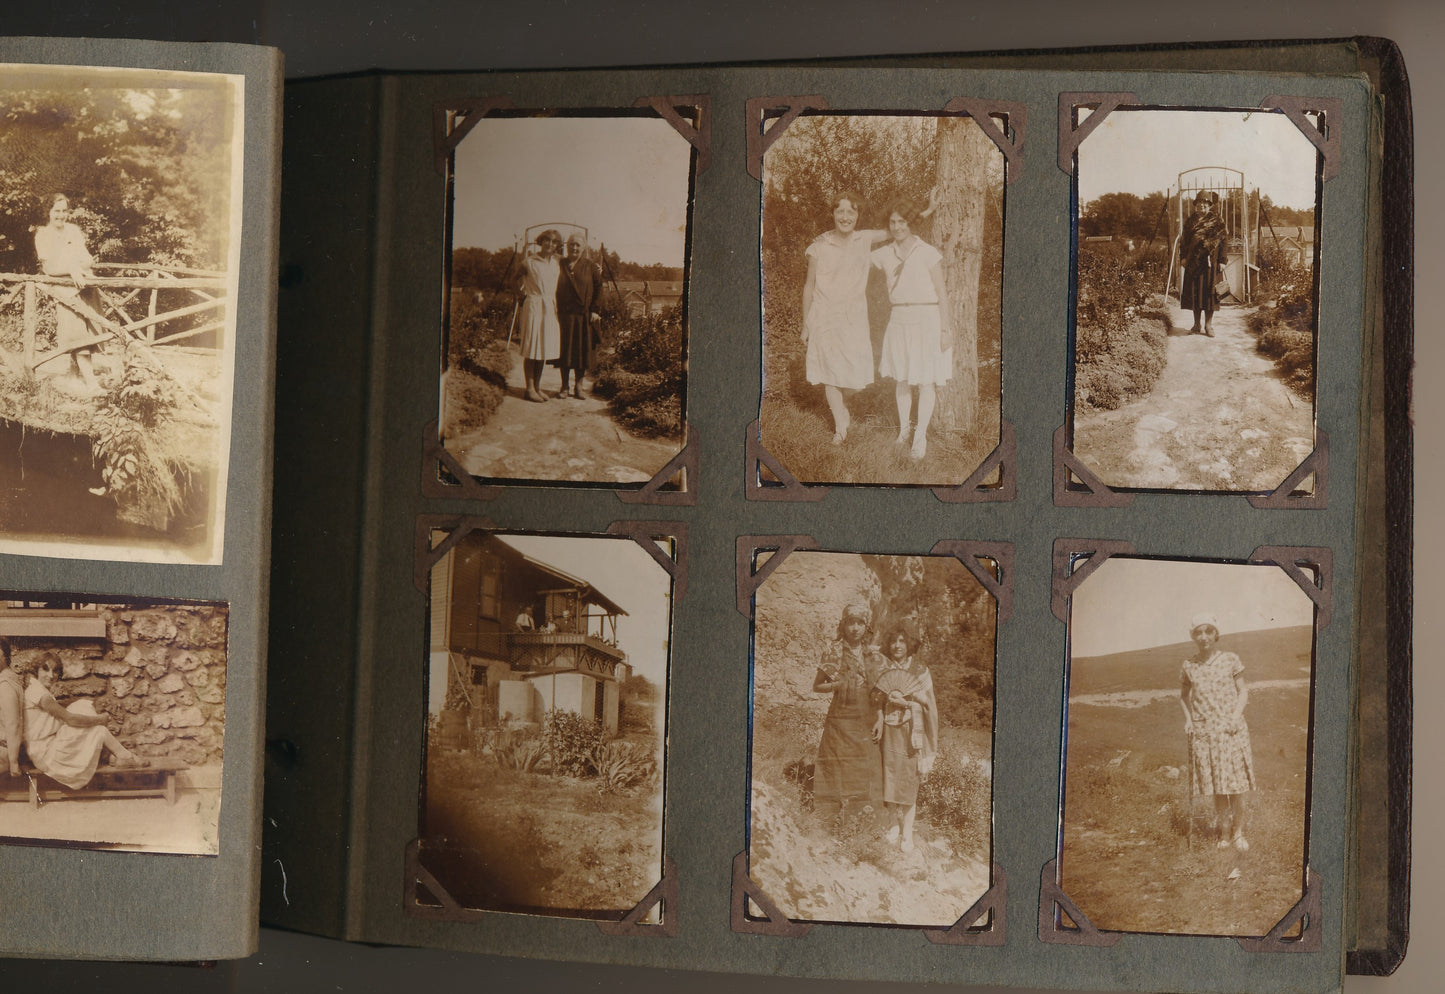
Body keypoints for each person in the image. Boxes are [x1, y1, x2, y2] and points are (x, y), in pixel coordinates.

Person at [800, 192, 888, 444]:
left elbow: (896, 229)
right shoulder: (818, 246)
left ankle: (843, 409)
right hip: (824, 317)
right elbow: (809, 286)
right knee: (830, 374)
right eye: (841, 212)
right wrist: (806, 324)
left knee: (857, 378)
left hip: (854, 317)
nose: (846, 217)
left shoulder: (865, 238)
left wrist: (928, 210)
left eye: (851, 212)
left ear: (858, 215)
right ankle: (841, 426)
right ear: (833, 214)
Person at [871, 198, 954, 461]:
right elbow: (856, 252)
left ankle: (920, 438)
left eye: (902, 222)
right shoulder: (884, 253)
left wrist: (945, 329)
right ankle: (904, 432)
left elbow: (942, 292)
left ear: (911, 223)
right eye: (892, 222)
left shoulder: (927, 252)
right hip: (899, 319)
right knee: (902, 379)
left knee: (926, 381)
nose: (897, 227)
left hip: (927, 318)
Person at [1179, 613, 1254, 850]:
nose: (1203, 637)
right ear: (1193, 636)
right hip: (1206, 733)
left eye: (1208, 631)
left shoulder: (1231, 659)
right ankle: (1223, 834)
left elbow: (1243, 691)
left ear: (1215, 634)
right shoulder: (1189, 665)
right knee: (1219, 788)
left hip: (1232, 730)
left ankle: (1239, 834)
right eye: (1198, 632)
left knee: (1238, 786)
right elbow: (1183, 696)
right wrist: (1189, 720)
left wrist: (1235, 717)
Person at [25, 653, 145, 790]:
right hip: (47, 756)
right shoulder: (39, 694)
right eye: (45, 669)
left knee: (83, 705)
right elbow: (70, 719)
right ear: (36, 671)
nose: (51, 675)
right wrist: (100, 720)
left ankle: (115, 755)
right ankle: (124, 756)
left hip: (48, 747)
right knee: (97, 728)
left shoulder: (37, 689)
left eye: (55, 671)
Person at [812, 602, 883, 826]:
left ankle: (857, 818)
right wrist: (837, 685)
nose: (855, 628)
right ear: (843, 625)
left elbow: (878, 690)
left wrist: (880, 717)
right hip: (840, 718)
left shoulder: (872, 654)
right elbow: (817, 686)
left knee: (862, 764)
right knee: (833, 761)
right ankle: (828, 816)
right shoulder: (834, 651)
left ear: (866, 627)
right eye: (850, 622)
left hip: (866, 717)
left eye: (860, 623)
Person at [870, 623, 938, 852]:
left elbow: (929, 705)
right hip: (889, 731)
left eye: (901, 641)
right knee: (888, 774)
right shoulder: (884, 667)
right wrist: (880, 716)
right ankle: (892, 825)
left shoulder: (920, 669)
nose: (897, 645)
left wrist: (906, 702)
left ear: (909, 644)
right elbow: (877, 698)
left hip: (912, 732)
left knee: (910, 780)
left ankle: (907, 833)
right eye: (893, 641)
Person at [33, 193, 102, 393]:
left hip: (84, 287)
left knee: (89, 331)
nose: (61, 215)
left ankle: (74, 376)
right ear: (48, 212)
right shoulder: (43, 235)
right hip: (65, 291)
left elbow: (88, 259)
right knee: (77, 334)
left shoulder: (73, 230)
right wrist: (71, 268)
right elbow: (50, 268)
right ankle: (92, 383)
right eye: (57, 211)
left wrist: (78, 266)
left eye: (64, 211)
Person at [555, 234, 602, 399]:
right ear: (567, 246)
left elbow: (599, 288)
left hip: (584, 316)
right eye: (572, 245)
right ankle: (564, 386)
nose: (574, 248)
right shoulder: (560, 264)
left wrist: (595, 310)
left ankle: (579, 386)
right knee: (565, 351)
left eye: (578, 245)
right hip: (564, 316)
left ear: (583, 248)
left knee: (582, 352)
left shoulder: (591, 267)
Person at [518, 229, 563, 403]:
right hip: (534, 305)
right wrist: (520, 296)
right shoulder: (529, 262)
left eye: (554, 242)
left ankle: (537, 387)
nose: (550, 244)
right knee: (531, 346)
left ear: (557, 246)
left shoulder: (557, 262)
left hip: (550, 307)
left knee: (543, 347)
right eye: (547, 240)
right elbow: (513, 280)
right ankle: (529, 389)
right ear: (541, 241)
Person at [1179, 190, 1227, 336]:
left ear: (1209, 205)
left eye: (1205, 204)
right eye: (1199, 204)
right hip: (1194, 262)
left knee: (1210, 294)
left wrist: (1222, 260)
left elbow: (1224, 242)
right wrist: (1183, 257)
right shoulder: (1190, 221)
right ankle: (1196, 325)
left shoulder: (1218, 221)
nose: (1202, 206)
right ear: (1195, 205)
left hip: (1211, 263)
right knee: (1195, 293)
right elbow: (1184, 242)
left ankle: (1208, 326)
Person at [0, 638, 24, 778]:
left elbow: (13, 724)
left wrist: (13, 761)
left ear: (5, 656)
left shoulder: (5, 685)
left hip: (5, 751)